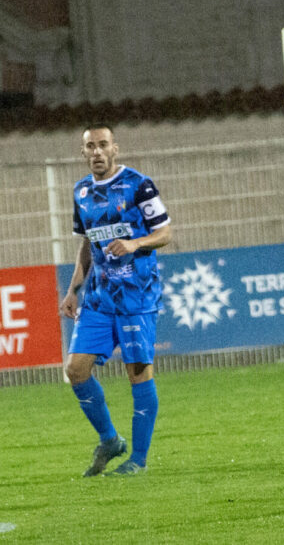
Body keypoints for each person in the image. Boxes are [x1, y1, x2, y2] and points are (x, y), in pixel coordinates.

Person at [60, 123, 171, 476]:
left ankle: (137, 460)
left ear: (115, 149)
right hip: (99, 298)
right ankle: (110, 440)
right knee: (76, 369)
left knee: (137, 373)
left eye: (102, 144)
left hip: (136, 297)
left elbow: (165, 232)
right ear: (83, 152)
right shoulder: (80, 192)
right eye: (90, 146)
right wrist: (73, 288)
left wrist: (135, 244)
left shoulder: (140, 184)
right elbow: (87, 245)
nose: (96, 151)